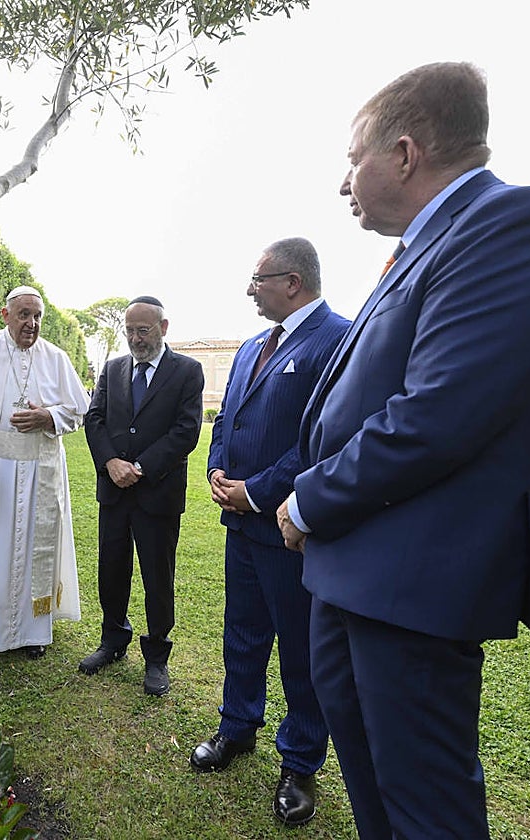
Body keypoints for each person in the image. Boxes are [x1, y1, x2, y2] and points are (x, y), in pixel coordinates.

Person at [275, 63, 530, 839]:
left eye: (353, 159)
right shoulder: (422, 244)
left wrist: (309, 497)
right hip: (355, 572)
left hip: (413, 581)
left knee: (425, 806)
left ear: (406, 153)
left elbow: (438, 414)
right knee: (378, 794)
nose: (343, 184)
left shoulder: (512, 223)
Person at [189, 238, 349, 826]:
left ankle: (301, 761)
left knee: (301, 647)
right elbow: (227, 415)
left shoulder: (338, 338)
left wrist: (257, 491)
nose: (249, 290)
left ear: (293, 281)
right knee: (243, 633)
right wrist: (217, 468)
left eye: (257, 280)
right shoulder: (255, 343)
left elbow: (317, 439)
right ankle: (237, 728)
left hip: (289, 528)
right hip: (241, 526)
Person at [0, 286, 89, 657]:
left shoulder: (55, 358)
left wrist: (48, 415)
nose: (32, 323)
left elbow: (79, 411)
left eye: (37, 316)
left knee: (33, 551)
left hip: (41, 468)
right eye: (24, 314)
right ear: (5, 315)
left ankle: (31, 631)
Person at [80, 296, 204, 696]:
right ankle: (113, 640)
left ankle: (156, 656)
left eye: (143, 330)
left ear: (163, 328)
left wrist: (141, 467)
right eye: (130, 330)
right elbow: (94, 418)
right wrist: (111, 463)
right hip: (114, 493)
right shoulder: (113, 369)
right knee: (111, 570)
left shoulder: (187, 371)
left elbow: (186, 431)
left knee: (157, 576)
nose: (135, 338)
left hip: (158, 494)